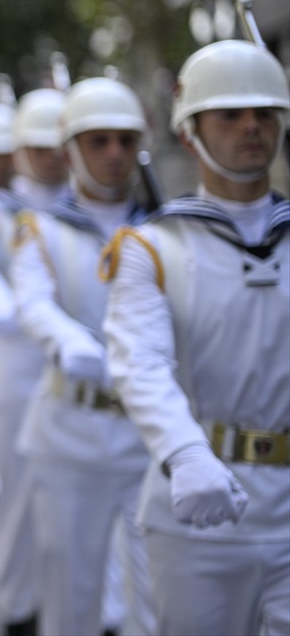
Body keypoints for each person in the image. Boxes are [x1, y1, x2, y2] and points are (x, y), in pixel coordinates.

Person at [102, 39, 290, 636]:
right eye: (230, 115)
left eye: (265, 113)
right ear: (190, 135)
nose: (252, 128)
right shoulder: (153, 247)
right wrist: (185, 451)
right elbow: (141, 363)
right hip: (200, 501)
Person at [12, 78, 155, 636]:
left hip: (147, 432)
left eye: (125, 140)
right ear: (71, 149)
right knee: (73, 596)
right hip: (73, 431)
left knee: (156, 598)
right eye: (99, 141)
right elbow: (34, 302)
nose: (115, 154)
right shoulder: (42, 231)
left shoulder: (163, 229)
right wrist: (67, 341)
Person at [0, 92, 68, 636]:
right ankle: (18, 607)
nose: (50, 157)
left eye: (58, 145)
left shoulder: (84, 211)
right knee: (20, 498)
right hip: (15, 365)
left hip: (76, 380)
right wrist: (11, 306)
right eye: (39, 147)